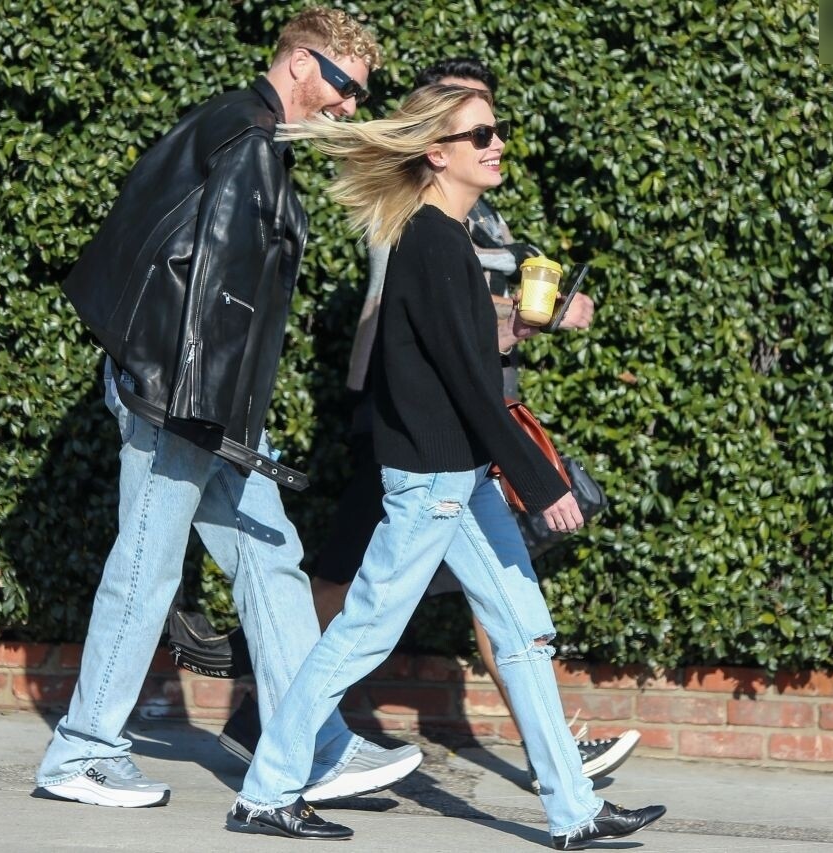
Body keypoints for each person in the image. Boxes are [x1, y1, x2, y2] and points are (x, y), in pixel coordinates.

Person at [227, 84, 666, 849]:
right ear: (437, 152)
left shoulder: (445, 238)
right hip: (432, 481)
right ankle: (266, 792)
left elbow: (460, 356)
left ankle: (574, 810)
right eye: (480, 135)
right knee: (362, 634)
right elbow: (466, 382)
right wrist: (540, 480)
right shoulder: (430, 240)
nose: (497, 145)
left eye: (496, 131)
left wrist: (518, 329)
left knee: (523, 629)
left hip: (459, 476)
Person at [36, 7, 423, 810]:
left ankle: (311, 743)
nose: (350, 104)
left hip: (205, 401)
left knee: (271, 554)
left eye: (358, 91)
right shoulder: (247, 139)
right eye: (344, 84)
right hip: (183, 400)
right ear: (300, 63)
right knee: (147, 565)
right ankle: (81, 751)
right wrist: (197, 411)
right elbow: (212, 284)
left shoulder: (244, 132)